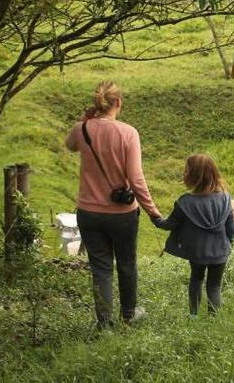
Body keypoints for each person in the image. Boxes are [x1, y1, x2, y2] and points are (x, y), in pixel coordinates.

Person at [65, 81, 162, 328]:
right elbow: (136, 178)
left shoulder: (81, 129)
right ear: (118, 103)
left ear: (96, 103)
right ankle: (129, 315)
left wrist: (84, 119)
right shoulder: (128, 133)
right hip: (122, 214)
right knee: (127, 263)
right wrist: (152, 211)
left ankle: (104, 323)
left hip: (88, 212)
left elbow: (70, 145)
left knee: (101, 268)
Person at [153, 154, 234, 318]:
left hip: (197, 253)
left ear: (193, 175)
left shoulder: (185, 202)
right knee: (214, 286)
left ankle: (193, 316)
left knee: (196, 280)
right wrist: (228, 245)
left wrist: (155, 219)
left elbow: (169, 224)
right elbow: (232, 229)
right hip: (220, 252)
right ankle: (214, 321)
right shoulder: (225, 198)